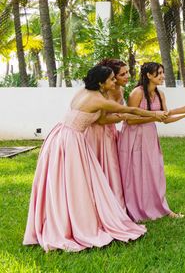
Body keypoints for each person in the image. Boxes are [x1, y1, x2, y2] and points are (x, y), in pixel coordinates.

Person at [23, 66, 154, 251]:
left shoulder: (84, 92)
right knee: (76, 181)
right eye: (111, 79)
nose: (114, 81)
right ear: (101, 83)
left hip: (60, 133)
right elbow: (132, 110)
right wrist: (155, 115)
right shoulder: (99, 99)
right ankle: (75, 222)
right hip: (71, 139)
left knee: (64, 181)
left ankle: (63, 217)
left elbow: (101, 118)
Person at [118, 62, 185, 221]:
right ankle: (135, 208)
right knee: (135, 172)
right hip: (133, 136)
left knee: (154, 171)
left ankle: (160, 207)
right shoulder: (137, 92)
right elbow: (131, 120)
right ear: (148, 75)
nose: (162, 76)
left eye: (162, 72)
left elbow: (165, 118)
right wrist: (154, 116)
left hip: (149, 136)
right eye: (159, 73)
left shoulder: (160, 94)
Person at [84, 58, 131, 208]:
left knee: (113, 169)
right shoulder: (103, 92)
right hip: (97, 133)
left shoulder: (121, 90)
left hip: (111, 132)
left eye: (128, 72)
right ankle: (98, 206)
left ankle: (115, 206)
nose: (127, 76)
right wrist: (123, 117)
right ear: (113, 77)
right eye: (123, 74)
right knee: (100, 169)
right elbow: (101, 120)